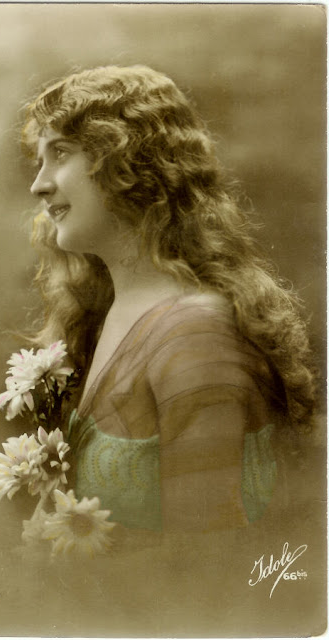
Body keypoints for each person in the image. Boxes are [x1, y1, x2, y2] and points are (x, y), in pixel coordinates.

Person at [21, 65, 316, 538]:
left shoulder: (196, 336)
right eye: (40, 160)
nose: (39, 184)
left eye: (60, 153)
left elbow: (205, 560)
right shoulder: (109, 313)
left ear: (126, 160)